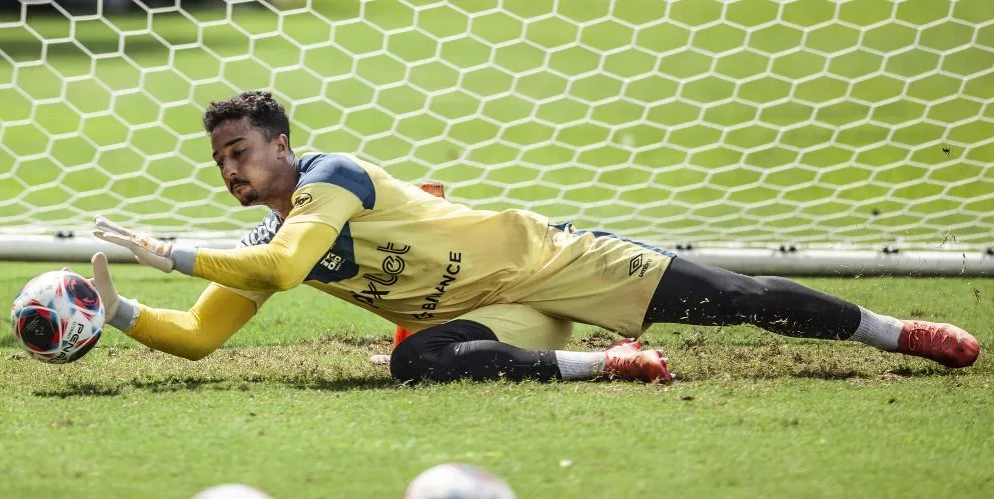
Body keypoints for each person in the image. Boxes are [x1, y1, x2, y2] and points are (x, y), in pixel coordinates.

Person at [89, 91, 980, 384]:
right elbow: (199, 336)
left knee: (734, 298)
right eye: (220, 161)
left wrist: (171, 251)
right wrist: (119, 308)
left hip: (549, 259)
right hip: (500, 318)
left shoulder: (334, 175)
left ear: (281, 145)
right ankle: (605, 364)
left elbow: (285, 267)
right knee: (416, 360)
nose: (230, 170)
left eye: (239, 152)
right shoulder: (261, 236)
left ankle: (896, 331)